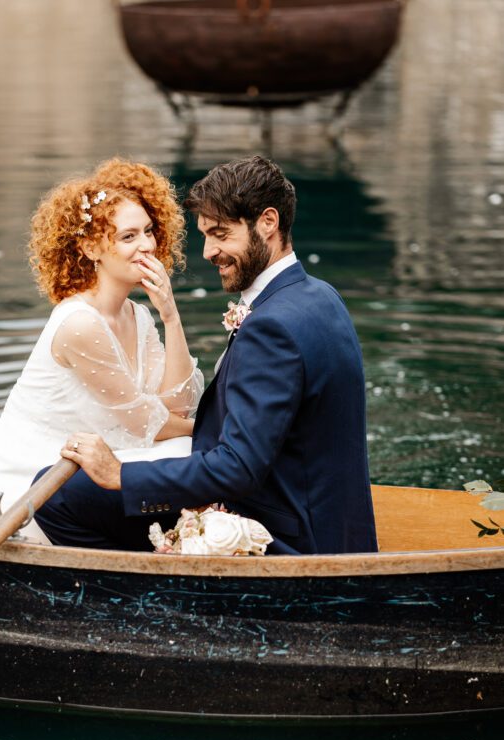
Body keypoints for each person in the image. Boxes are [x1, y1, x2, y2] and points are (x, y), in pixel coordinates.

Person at [33, 155, 378, 556]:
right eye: (205, 236)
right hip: (328, 521)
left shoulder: (272, 327)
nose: (208, 252)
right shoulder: (320, 296)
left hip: (290, 536)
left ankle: (149, 596)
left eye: (220, 234)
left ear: (268, 223)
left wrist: (121, 475)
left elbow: (239, 468)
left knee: (55, 494)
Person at [0, 158, 204, 542]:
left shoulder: (138, 315)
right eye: (128, 237)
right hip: (38, 490)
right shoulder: (80, 324)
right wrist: (220, 435)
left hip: (94, 468)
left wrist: (171, 317)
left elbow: (179, 406)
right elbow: (148, 425)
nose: (146, 246)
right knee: (197, 453)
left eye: (148, 231)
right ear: (92, 247)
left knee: (191, 451)